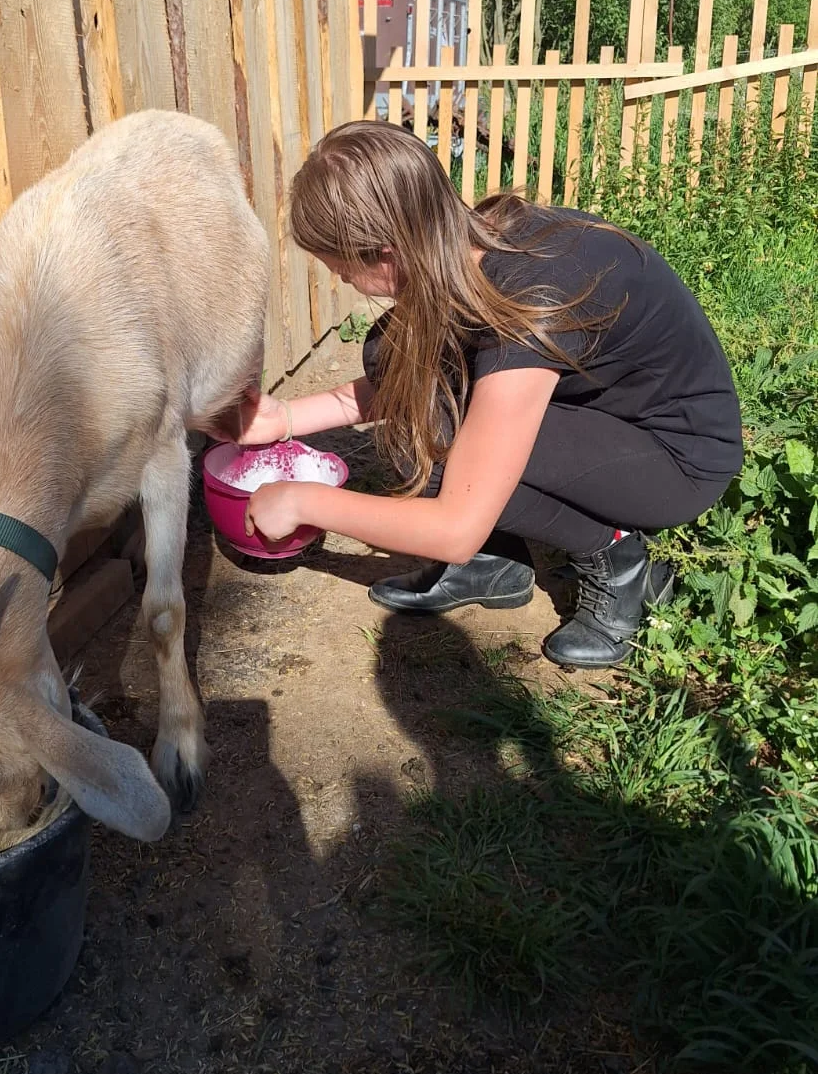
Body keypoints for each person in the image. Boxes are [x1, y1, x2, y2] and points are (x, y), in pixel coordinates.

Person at [217, 122, 743, 669]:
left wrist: (304, 501)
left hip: (675, 460)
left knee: (424, 429)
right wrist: (283, 419)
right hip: (601, 418)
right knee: (395, 363)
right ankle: (497, 566)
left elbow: (453, 528)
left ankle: (615, 551)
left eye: (342, 268)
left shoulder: (533, 300)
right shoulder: (469, 243)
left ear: (387, 253)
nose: (342, 279)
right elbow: (395, 384)